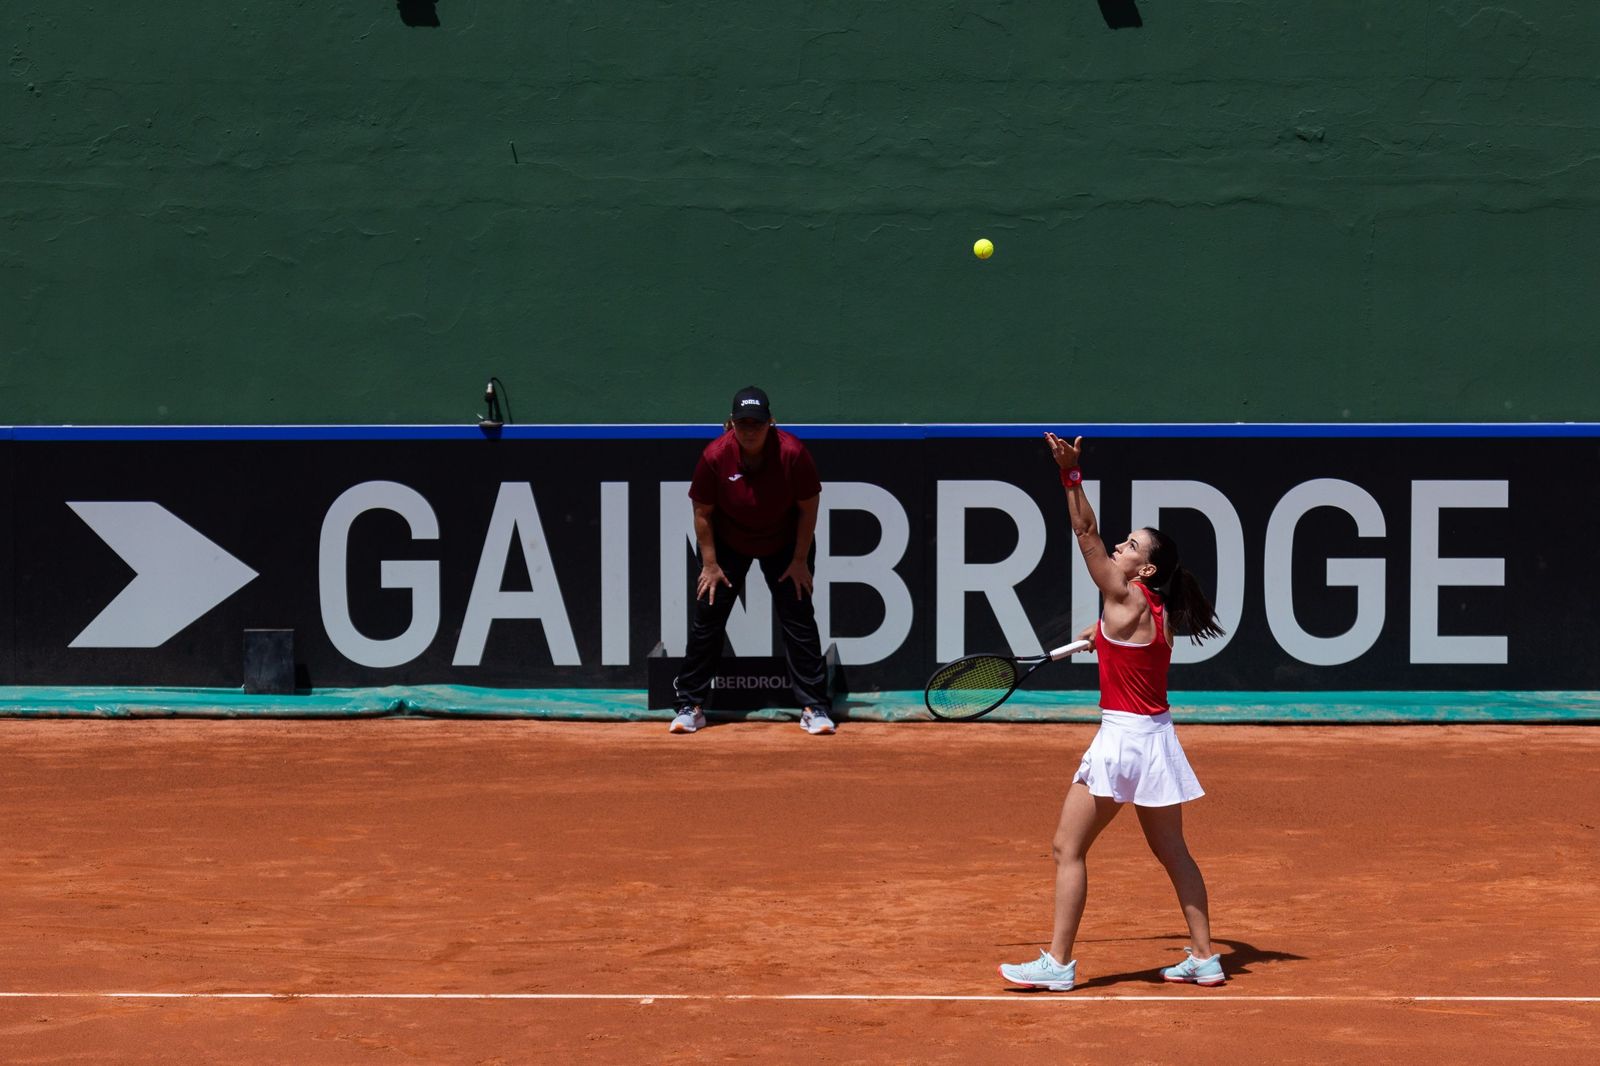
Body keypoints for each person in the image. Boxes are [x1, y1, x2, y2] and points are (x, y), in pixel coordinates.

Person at [999, 433, 1226, 991]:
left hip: (1121, 741)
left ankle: (1058, 964)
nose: (1119, 549)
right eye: (1123, 543)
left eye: (1131, 547)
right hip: (1158, 739)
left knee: (1067, 847)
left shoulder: (1123, 596)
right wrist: (1101, 635)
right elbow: (1130, 642)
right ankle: (1205, 957)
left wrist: (1070, 474)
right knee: (1174, 852)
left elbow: (1085, 533)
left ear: (1144, 571)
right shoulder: (1158, 609)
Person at [670, 386, 836, 736]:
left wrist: (800, 560)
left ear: (770, 423)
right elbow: (702, 512)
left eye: (757, 423)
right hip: (727, 544)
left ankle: (814, 707)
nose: (750, 430)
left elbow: (809, 507)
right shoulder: (715, 456)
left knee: (798, 618)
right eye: (743, 423)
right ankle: (690, 705)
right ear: (731, 423)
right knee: (708, 618)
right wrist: (710, 564)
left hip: (785, 543)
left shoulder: (792, 453)